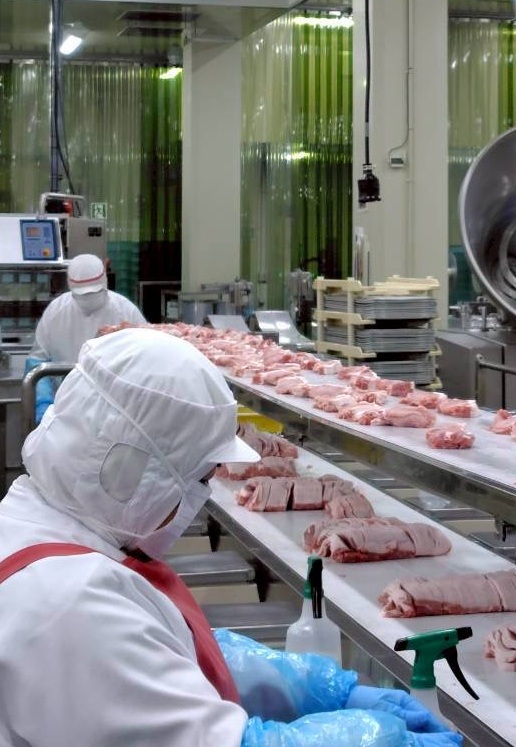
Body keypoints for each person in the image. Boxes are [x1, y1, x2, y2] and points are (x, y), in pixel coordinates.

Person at [0, 328, 459, 747]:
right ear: (133, 476)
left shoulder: (42, 524)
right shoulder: (70, 602)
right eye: (199, 478)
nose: (200, 496)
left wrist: (308, 684)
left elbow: (151, 657)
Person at [25, 253, 146, 423]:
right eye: (82, 295)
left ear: (104, 282)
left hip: (114, 411)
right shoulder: (56, 312)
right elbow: (37, 360)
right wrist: (43, 404)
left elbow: (145, 359)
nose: (88, 299)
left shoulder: (126, 311)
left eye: (94, 293)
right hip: (65, 408)